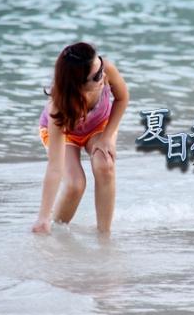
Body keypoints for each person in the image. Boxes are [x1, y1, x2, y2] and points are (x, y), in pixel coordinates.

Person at [32, 42, 129, 235]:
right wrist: (42, 217)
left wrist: (107, 137)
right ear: (78, 83)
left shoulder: (105, 68)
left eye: (100, 67)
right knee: (75, 184)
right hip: (65, 133)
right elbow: (55, 167)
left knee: (105, 164)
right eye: (96, 76)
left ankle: (104, 234)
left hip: (99, 126)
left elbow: (122, 98)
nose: (102, 75)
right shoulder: (59, 108)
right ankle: (55, 229)